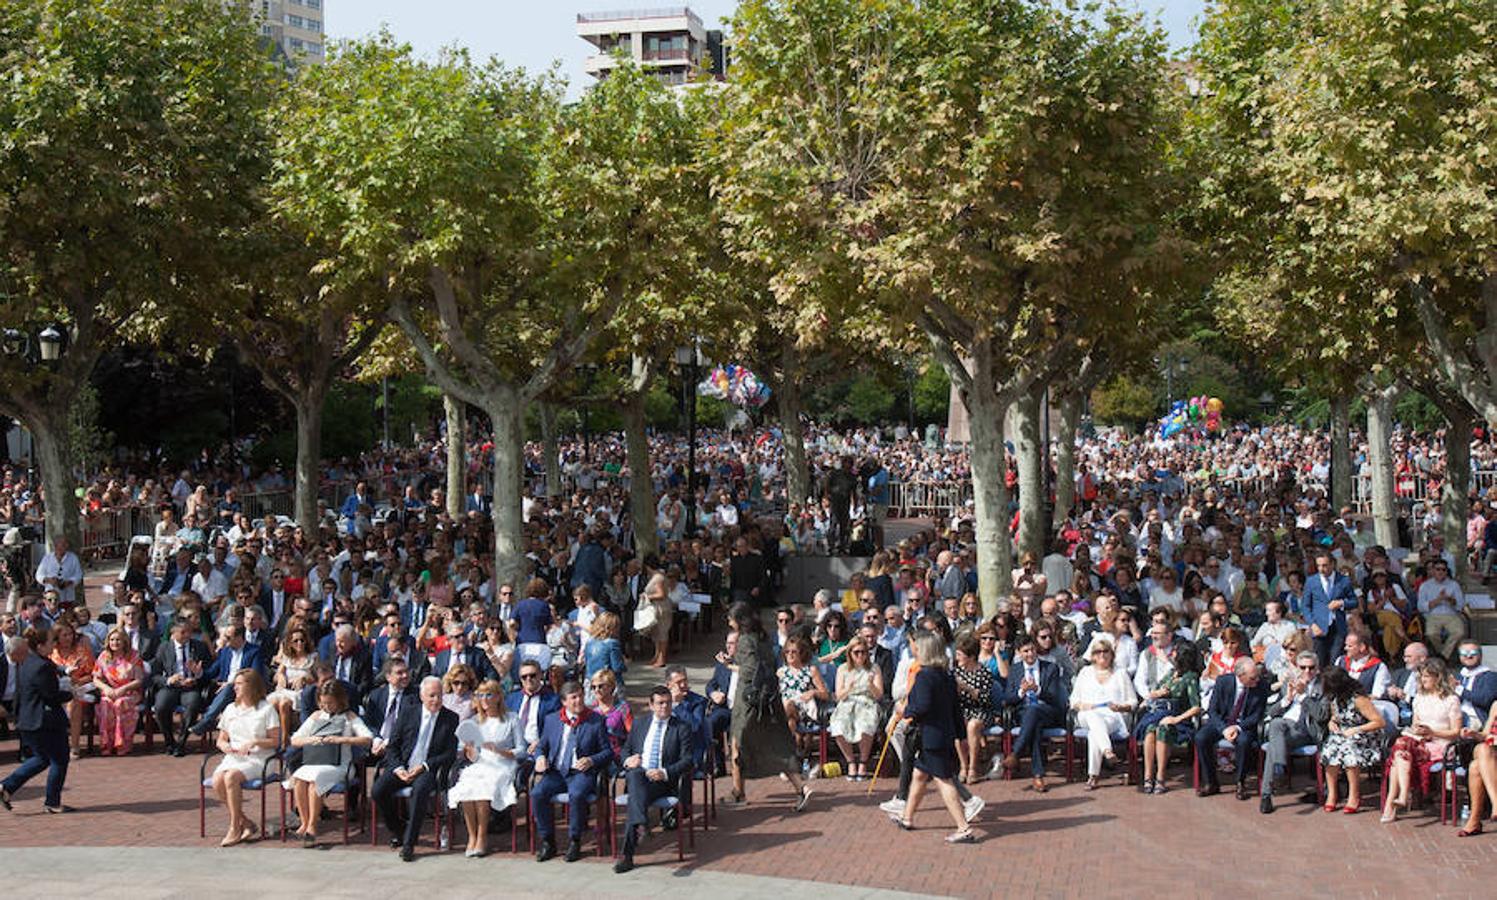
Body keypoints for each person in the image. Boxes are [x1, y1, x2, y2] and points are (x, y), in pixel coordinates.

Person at [889, 631, 975, 843]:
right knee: (919, 775)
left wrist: (904, 711)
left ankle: (963, 827)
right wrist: (960, 734)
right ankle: (907, 817)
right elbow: (956, 708)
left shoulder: (925, 675)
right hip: (942, 734)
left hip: (931, 735)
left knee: (944, 781)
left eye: (917, 646)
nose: (914, 649)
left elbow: (922, 705)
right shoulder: (945, 675)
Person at [723, 602, 810, 810]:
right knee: (772, 743)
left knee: (738, 741)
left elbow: (751, 669)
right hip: (769, 696)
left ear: (740, 619)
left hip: (749, 700)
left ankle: (799, 787)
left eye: (731, 618)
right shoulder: (762, 638)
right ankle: (738, 790)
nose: (728, 621)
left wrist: (734, 666)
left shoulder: (744, 640)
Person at [371, 676, 461, 862]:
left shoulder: (450, 718)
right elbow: (393, 745)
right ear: (422, 696)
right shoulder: (408, 713)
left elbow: (450, 753)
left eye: (439, 695)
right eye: (431, 696)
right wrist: (397, 768)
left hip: (427, 769)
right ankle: (400, 830)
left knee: (419, 792)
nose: (436, 700)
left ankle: (408, 844)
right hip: (403, 766)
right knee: (378, 791)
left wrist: (424, 766)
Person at [613, 685, 695, 874]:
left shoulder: (681, 727)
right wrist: (628, 760)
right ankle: (640, 824)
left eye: (667, 703)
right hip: (640, 779)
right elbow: (626, 749)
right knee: (634, 776)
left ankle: (627, 853)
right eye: (659, 703)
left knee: (635, 799)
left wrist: (664, 772)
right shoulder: (640, 724)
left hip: (664, 783)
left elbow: (688, 760)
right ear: (651, 705)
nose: (664, 707)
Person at [530, 680, 614, 863]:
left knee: (576, 794)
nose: (579, 701)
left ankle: (574, 841)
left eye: (581, 696)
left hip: (580, 773)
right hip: (556, 771)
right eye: (573, 697)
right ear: (564, 702)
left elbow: (608, 752)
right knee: (537, 793)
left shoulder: (595, 720)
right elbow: (541, 746)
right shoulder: (552, 720)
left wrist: (591, 760)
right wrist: (539, 758)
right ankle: (548, 841)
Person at [285, 679, 373, 846]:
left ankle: (312, 825)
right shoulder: (316, 716)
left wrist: (343, 739)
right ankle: (304, 822)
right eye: (323, 703)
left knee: (315, 780)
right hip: (315, 761)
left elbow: (367, 738)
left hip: (340, 764)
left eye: (330, 703)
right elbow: (295, 740)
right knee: (299, 778)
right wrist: (312, 740)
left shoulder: (349, 717)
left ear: (339, 700)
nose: (326, 706)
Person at [1381, 658, 1462, 822]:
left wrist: (1433, 732)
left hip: (1441, 742)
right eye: (1421, 676)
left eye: (1426, 676)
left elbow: (1456, 732)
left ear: (1437, 677)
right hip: (1419, 741)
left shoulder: (1451, 700)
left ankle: (1393, 803)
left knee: (1399, 755)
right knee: (1402, 747)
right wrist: (1418, 730)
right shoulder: (1419, 697)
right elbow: (1415, 724)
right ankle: (1401, 796)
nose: (1422, 680)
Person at [447, 678, 519, 858]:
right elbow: (474, 755)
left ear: (498, 697)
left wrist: (502, 751)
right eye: (480, 695)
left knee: (483, 788)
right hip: (481, 763)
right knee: (467, 786)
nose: (484, 699)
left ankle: (482, 836)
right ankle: (471, 836)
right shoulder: (474, 720)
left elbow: (522, 749)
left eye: (489, 694)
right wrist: (470, 752)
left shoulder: (511, 718)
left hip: (503, 763)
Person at [0, 634, 72, 813]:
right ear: (40, 646)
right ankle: (52, 802)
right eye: (50, 643)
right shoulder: (42, 666)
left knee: (41, 758)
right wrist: (71, 693)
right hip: (44, 722)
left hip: (28, 720)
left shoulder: (24, 663)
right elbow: (51, 695)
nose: (53, 645)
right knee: (59, 759)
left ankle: (7, 786)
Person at [208, 669, 281, 846]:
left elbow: (275, 741)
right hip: (234, 758)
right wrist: (225, 746)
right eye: (235, 683)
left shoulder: (266, 709)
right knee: (218, 780)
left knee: (231, 776)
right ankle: (246, 822)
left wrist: (255, 741)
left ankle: (234, 827)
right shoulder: (230, 709)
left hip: (259, 758)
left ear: (252, 686)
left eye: (240, 684)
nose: (235, 687)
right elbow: (221, 739)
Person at [1193, 657, 1268, 800]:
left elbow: (1257, 715)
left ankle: (1241, 783)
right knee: (1201, 738)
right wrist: (1224, 729)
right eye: (1252, 678)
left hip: (1243, 725)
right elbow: (1213, 711)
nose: (1256, 680)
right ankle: (1210, 782)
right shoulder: (1223, 682)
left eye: (1257, 677)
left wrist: (1238, 728)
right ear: (1240, 676)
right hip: (1222, 723)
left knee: (1244, 742)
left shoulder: (1261, 686)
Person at [999, 635, 1066, 793]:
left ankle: (1016, 753)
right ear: (1019, 653)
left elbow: (1056, 697)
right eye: (1026, 651)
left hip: (1048, 711)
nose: (1030, 654)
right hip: (1024, 714)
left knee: (1034, 711)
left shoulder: (1050, 668)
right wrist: (1021, 692)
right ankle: (1037, 776)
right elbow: (1007, 698)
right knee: (1034, 723)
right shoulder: (1015, 670)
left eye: (1032, 649)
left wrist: (1038, 690)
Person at [1259, 651, 1323, 814]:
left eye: (1311, 668)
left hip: (1304, 730)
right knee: (1276, 723)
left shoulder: (1322, 686)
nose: (1307, 671)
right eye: (1303, 667)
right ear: (1297, 667)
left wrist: (1302, 697)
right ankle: (1279, 767)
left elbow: (1320, 715)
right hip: (1284, 728)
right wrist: (1287, 699)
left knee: (1274, 740)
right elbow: (1272, 712)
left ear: (1317, 668)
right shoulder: (1289, 683)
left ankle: (1267, 794)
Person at [1070, 636, 1138, 790]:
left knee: (1094, 733)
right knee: (1093, 716)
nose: (1102, 655)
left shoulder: (1120, 674)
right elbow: (1073, 699)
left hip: (1112, 715)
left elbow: (1133, 702)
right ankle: (1107, 751)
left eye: (1105, 651)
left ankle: (1093, 776)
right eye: (1098, 652)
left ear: (1111, 654)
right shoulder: (1085, 672)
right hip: (1087, 713)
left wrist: (1120, 707)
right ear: (1092, 655)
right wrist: (1081, 705)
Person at [1318, 665, 1386, 814]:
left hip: (1364, 735)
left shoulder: (1358, 699)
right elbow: (1335, 717)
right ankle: (1332, 793)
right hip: (1344, 733)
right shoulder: (1334, 698)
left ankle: (1354, 795)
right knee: (1329, 750)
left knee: (1349, 749)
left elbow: (1379, 722)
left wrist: (1357, 729)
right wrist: (1332, 723)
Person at [1139, 641, 1203, 795]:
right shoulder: (1171, 673)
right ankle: (1148, 776)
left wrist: (1176, 719)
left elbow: (1196, 707)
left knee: (1163, 728)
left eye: (1175, 651)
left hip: (1179, 719)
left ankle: (1161, 777)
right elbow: (1158, 690)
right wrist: (1156, 694)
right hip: (1160, 713)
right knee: (1150, 730)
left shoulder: (1190, 678)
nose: (1171, 654)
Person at [829, 635, 884, 781]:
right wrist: (848, 688)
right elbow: (839, 695)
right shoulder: (843, 669)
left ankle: (863, 763)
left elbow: (878, 695)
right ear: (850, 654)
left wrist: (871, 684)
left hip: (867, 702)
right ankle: (851, 761)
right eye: (856, 652)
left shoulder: (874, 668)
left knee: (865, 725)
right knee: (838, 726)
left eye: (863, 652)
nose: (860, 655)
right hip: (847, 702)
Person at [94, 626, 147, 756]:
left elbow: (139, 680)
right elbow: (96, 678)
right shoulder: (103, 656)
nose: (115, 643)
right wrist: (106, 688)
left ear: (124, 641)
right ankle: (107, 743)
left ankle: (123, 743)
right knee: (105, 704)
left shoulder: (134, 656)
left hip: (129, 692)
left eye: (118, 640)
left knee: (120, 704)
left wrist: (123, 689)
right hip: (110, 691)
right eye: (112, 640)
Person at [949, 634, 993, 785]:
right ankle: (963, 766)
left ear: (971, 656)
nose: (957, 657)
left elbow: (985, 700)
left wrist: (967, 688)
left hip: (982, 710)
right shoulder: (956, 672)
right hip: (963, 710)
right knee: (958, 721)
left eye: (960, 655)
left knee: (973, 725)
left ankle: (973, 769)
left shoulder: (984, 673)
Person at [48, 617, 95, 759]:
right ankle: (55, 744)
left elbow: (93, 674)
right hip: (57, 689)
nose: (69, 638)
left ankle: (74, 747)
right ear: (57, 637)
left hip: (80, 688)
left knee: (74, 703)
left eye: (71, 634)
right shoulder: (51, 652)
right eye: (64, 635)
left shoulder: (82, 651)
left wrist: (77, 681)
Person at [1305, 553, 1357, 667]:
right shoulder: (1311, 581)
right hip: (1319, 627)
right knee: (1320, 662)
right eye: (1318, 566)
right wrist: (1313, 625)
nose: (1321, 569)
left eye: (1324, 565)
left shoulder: (1343, 580)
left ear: (1332, 564)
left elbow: (1354, 601)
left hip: (1337, 626)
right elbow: (1305, 606)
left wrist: (1341, 603)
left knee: (1335, 661)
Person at [1457, 700, 1497, 837]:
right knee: (1482, 748)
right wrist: (1474, 734)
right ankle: (1495, 803)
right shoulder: (1496, 705)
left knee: (1475, 767)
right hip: (1491, 752)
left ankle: (1475, 821)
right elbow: (1485, 734)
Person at [640, 573, 674, 669]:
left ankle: (661, 658)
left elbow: (661, 594)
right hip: (656, 608)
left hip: (661, 609)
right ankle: (656, 656)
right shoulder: (655, 577)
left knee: (662, 632)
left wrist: (648, 597)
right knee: (656, 633)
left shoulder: (658, 578)